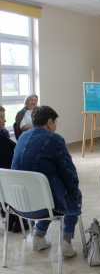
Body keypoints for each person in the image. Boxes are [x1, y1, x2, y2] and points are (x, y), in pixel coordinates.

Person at [12, 106, 81, 257]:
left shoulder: (22, 137)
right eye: (55, 122)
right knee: (73, 194)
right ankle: (66, 242)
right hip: (44, 206)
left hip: (17, 204)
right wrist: (73, 191)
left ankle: (39, 236)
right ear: (50, 122)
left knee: (50, 193)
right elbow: (69, 173)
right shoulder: (55, 139)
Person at [0, 106, 33, 232]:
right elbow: (8, 163)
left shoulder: (2, 136)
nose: (5, 120)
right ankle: (19, 220)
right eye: (2, 117)